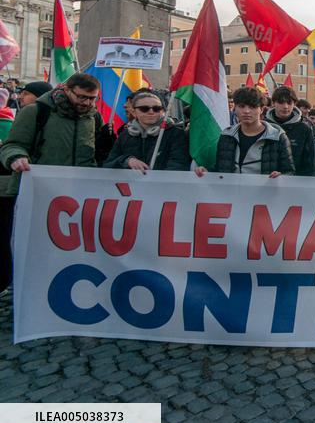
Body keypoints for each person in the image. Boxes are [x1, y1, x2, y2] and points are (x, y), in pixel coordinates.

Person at [0, 73, 103, 293]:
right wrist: (16, 158)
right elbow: (11, 145)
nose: (87, 103)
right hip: (35, 195)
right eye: (82, 97)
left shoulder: (93, 118)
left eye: (93, 99)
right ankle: (23, 294)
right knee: (30, 250)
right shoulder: (36, 112)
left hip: (76, 199)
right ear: (67, 90)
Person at [196, 86, 293, 177]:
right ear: (235, 108)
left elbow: (289, 172)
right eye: (241, 106)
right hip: (231, 193)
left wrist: (280, 177)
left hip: (265, 193)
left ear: (261, 109)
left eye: (252, 107)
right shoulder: (226, 136)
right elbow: (221, 170)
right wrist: (207, 173)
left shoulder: (277, 137)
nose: (246, 111)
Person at [103, 90, 190, 172]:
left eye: (156, 108)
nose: (151, 112)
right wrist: (127, 160)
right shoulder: (125, 135)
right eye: (144, 109)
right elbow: (108, 164)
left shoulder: (176, 134)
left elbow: (178, 165)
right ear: (133, 112)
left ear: (163, 111)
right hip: (131, 186)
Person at [265, 86, 315, 177]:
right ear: (273, 103)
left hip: (294, 182)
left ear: (294, 104)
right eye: (281, 102)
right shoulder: (264, 126)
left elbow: (310, 162)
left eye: (289, 103)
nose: (285, 106)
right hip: (265, 180)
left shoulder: (304, 129)